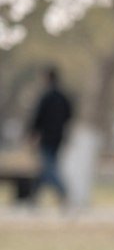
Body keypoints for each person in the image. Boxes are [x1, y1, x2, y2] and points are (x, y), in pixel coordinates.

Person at [27, 65, 74, 206]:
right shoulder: (63, 97)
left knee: (48, 166)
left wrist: (32, 134)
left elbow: (37, 118)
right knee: (46, 166)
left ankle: (63, 192)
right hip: (59, 136)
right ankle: (33, 196)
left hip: (47, 137)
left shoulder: (46, 97)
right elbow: (69, 115)